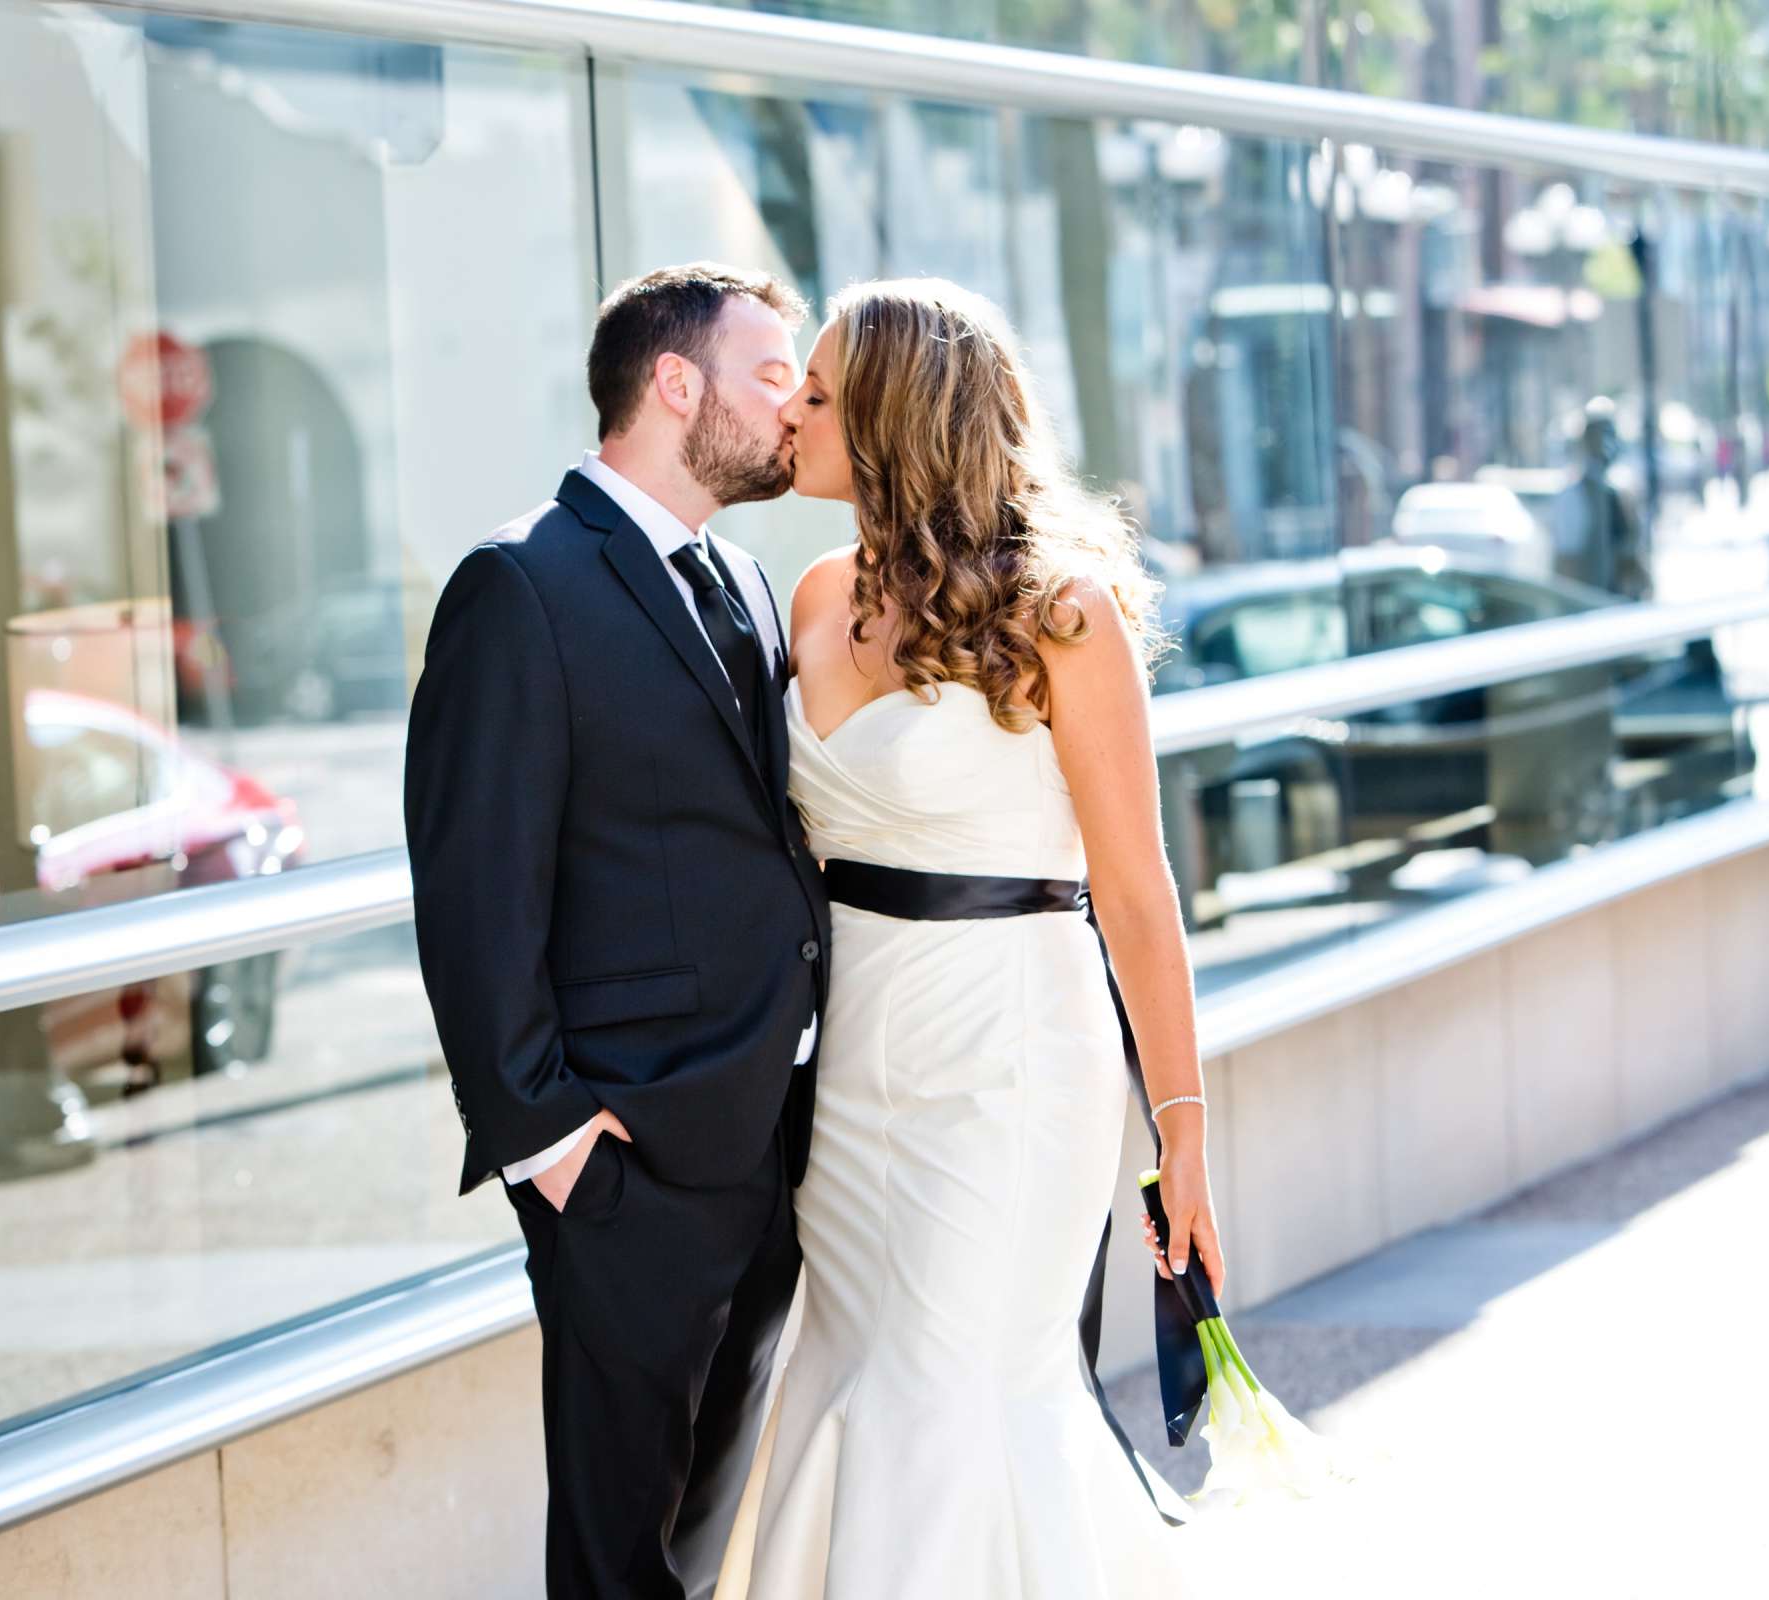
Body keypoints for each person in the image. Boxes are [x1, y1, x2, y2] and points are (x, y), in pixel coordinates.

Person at [721, 278, 1224, 1598]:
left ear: (893, 417)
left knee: (947, 1393)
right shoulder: (820, 592)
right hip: (855, 1069)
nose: (793, 410)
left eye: (821, 394)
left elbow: (1136, 888)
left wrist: (1183, 1126)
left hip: (1007, 1061)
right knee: (854, 1366)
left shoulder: (1062, 612)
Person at [403, 263, 831, 1600]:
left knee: (696, 1537)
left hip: (765, 1139)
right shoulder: (520, 586)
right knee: (613, 1558)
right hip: (626, 1167)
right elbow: (473, 891)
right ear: (673, 383)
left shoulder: (751, 585)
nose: (797, 401)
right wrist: (554, 1145)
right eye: (773, 375)